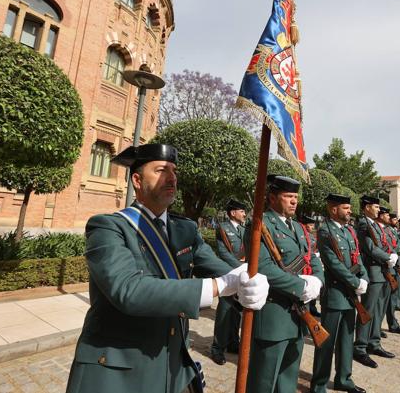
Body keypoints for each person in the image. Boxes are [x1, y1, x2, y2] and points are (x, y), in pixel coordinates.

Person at [66, 143, 269, 393]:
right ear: (137, 180)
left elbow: (218, 268)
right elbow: (128, 291)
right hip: (120, 371)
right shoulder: (107, 228)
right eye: (161, 170)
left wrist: (245, 281)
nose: (171, 177)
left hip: (172, 368)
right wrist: (220, 286)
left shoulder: (185, 229)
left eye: (174, 171)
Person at [246, 176, 325, 393]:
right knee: (263, 381)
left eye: (295, 197)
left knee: (288, 379)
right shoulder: (259, 224)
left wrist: (317, 280)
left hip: (298, 316)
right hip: (274, 315)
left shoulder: (299, 228)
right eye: (288, 196)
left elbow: (313, 257)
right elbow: (262, 267)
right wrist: (301, 286)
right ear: (272, 198)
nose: (293, 201)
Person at [310, 194, 369, 393]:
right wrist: (354, 282)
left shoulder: (350, 231)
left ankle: (344, 379)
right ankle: (319, 384)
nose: (350, 211)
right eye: (346, 208)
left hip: (351, 296)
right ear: (333, 209)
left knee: (346, 340)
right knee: (327, 342)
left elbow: (357, 259)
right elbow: (334, 264)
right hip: (335, 294)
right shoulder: (325, 232)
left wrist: (364, 279)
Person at [353, 199, 397, 367]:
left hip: (382, 272)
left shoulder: (376, 225)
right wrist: (388, 257)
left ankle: (374, 342)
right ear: (367, 207)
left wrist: (391, 254)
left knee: (379, 311)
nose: (379, 209)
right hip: (373, 272)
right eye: (376, 206)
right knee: (368, 311)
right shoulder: (364, 224)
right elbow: (370, 248)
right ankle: (361, 347)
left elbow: (384, 244)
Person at [210, 199, 247, 365]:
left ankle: (233, 343)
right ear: (233, 213)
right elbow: (224, 253)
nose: (244, 214)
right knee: (224, 311)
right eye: (241, 211)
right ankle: (217, 348)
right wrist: (241, 267)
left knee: (237, 310)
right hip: (228, 274)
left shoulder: (245, 229)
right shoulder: (223, 228)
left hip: (242, 274)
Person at [301, 215, 321, 317]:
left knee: (314, 287)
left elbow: (315, 247)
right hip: (304, 265)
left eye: (313, 225)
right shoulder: (302, 235)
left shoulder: (311, 236)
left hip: (313, 263)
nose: (312, 227)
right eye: (310, 225)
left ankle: (312, 308)